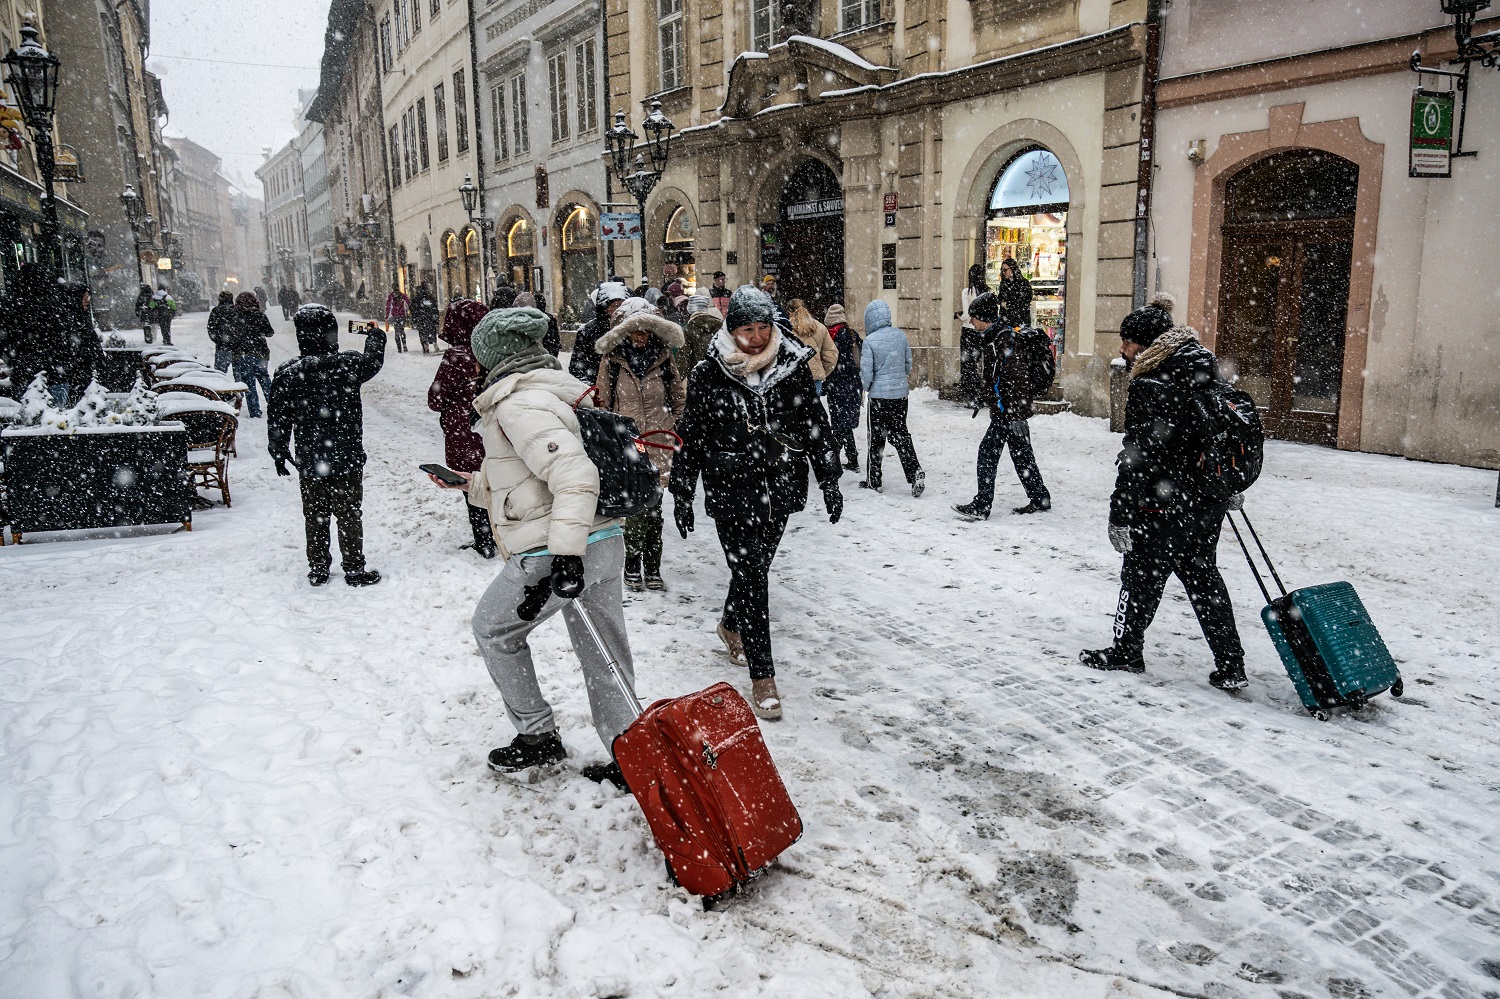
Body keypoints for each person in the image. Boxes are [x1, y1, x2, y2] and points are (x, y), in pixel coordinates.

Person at [428, 306, 639, 788]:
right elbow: (529, 482)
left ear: (494, 357)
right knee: (603, 650)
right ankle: (631, 752)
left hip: (558, 549)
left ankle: (537, 735)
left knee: (493, 629)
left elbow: (574, 475)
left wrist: (565, 555)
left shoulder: (518, 405)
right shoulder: (552, 393)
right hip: (602, 538)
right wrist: (469, 484)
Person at [670, 286, 843, 721]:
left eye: (763, 327)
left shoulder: (792, 364)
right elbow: (692, 434)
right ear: (732, 329)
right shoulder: (710, 372)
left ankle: (731, 625)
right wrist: (683, 491)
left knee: (755, 569)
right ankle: (763, 675)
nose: (757, 336)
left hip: (780, 484)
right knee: (751, 575)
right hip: (730, 487)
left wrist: (829, 479)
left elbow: (815, 423)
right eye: (747, 328)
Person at [1080, 294, 1248, 690]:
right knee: (1204, 578)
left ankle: (1126, 651)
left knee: (1140, 578)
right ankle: (1231, 664)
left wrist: (1120, 513)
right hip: (1205, 501)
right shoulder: (1204, 367)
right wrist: (1227, 483)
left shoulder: (1152, 382)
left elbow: (1138, 456)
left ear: (1146, 344)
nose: (1122, 350)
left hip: (1162, 503)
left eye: (1127, 342)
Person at [268, 305, 386, 587]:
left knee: (315, 514)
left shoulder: (288, 373)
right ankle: (354, 567)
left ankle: (319, 567)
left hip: (310, 458)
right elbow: (373, 360)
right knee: (349, 513)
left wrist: (279, 452)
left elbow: (278, 418)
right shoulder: (348, 365)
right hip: (346, 455)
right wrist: (375, 334)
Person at [595, 298, 686, 592]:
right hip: (629, 444)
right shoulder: (612, 362)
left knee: (655, 509)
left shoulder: (664, 359)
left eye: (645, 331)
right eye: (635, 331)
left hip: (659, 443)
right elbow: (601, 404)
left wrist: (672, 425)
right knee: (636, 509)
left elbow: (679, 399)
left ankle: (653, 566)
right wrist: (612, 438)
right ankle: (633, 565)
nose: (640, 336)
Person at [952, 291, 1051, 520]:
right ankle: (1039, 498)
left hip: (1008, 411)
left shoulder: (1003, 340)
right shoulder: (997, 337)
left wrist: (1012, 412)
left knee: (987, 455)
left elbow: (1016, 378)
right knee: (1022, 455)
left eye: (973, 318)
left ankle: (982, 505)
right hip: (1010, 410)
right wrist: (986, 397)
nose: (971, 322)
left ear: (984, 318)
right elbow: (997, 378)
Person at [427, 299, 497, 559]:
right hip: (493, 425)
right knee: (496, 479)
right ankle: (500, 533)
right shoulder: (493, 351)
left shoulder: (457, 356)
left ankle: (484, 540)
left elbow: (435, 400)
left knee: (471, 484)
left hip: (464, 430)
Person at [859, 299, 925, 497]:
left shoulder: (869, 341)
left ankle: (874, 480)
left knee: (876, 439)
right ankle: (914, 471)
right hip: (900, 396)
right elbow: (907, 365)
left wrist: (867, 388)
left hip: (879, 398)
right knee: (900, 433)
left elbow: (866, 374)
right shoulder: (900, 336)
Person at [823, 303, 863, 472]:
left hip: (838, 386)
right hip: (853, 385)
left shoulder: (832, 337)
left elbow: (833, 364)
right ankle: (836, 456)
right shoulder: (852, 334)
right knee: (842, 424)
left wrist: (827, 383)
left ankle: (848, 459)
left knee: (841, 424)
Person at [568, 281, 628, 383]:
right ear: (604, 307)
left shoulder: (631, 329)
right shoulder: (587, 331)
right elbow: (577, 368)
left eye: (621, 305)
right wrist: (592, 387)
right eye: (614, 305)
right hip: (596, 386)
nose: (618, 309)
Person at [231, 291, 276, 418]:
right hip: (260, 353)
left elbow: (231, 336)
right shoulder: (260, 316)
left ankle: (254, 410)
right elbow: (270, 332)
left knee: (249, 384)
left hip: (243, 354)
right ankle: (274, 406)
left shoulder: (235, 317)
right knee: (265, 380)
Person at [785, 298, 839, 396]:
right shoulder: (820, 327)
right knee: (814, 405)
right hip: (815, 379)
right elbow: (832, 355)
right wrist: (821, 371)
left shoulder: (785, 329)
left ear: (789, 311)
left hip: (791, 379)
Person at [957, 263, 990, 402]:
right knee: (978, 362)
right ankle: (979, 392)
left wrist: (959, 317)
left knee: (967, 363)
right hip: (982, 331)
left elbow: (967, 314)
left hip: (969, 330)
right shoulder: (987, 292)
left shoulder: (967, 292)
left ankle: (969, 393)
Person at [681, 293, 721, 372]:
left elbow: (684, 359)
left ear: (690, 310)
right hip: (719, 373)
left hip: (697, 374)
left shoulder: (688, 330)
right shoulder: (721, 325)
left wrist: (682, 376)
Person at [515, 291, 562, 357]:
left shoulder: (532, 319)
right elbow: (555, 335)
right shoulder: (549, 318)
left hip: (539, 351)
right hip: (548, 348)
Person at [207, 291, 239, 372]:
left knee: (220, 372)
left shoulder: (216, 311)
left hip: (222, 346)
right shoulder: (237, 310)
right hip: (237, 347)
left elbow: (211, 327)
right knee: (239, 373)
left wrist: (218, 340)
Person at [997, 257, 1033, 329]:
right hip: (1006, 321)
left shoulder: (1023, 283)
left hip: (1020, 321)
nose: (1003, 272)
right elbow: (1000, 298)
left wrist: (1008, 304)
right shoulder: (1004, 284)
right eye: (1002, 270)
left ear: (1012, 269)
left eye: (1005, 270)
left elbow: (1025, 301)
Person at [411, 282, 441, 354]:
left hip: (421, 319)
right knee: (432, 331)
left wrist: (415, 318)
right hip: (430, 318)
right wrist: (436, 319)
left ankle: (425, 345)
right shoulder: (430, 297)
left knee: (422, 332)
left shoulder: (417, 298)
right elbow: (435, 308)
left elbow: (413, 309)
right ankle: (434, 342)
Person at [385, 286, 411, 353]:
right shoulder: (402, 295)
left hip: (395, 316)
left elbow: (388, 307)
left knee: (396, 332)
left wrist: (387, 317)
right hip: (402, 316)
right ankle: (404, 345)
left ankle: (399, 348)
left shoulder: (391, 296)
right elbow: (408, 302)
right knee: (402, 330)